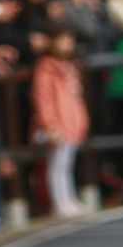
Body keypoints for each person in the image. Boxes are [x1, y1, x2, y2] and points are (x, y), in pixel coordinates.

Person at [32, 23, 89, 217]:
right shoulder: (46, 68)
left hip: (72, 120)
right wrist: (50, 124)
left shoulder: (70, 66)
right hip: (57, 122)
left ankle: (69, 198)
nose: (67, 45)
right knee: (57, 163)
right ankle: (60, 201)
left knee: (67, 162)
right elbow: (43, 98)